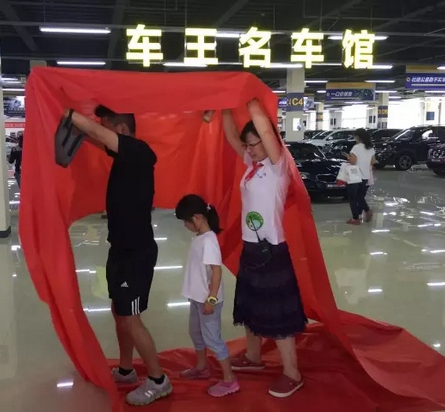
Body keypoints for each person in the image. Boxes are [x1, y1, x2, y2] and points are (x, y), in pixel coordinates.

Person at [64, 105, 172, 406]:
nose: (103, 132)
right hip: (121, 249)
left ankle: (158, 380)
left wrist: (67, 112)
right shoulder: (126, 156)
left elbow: (98, 133)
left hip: (136, 252)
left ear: (122, 130)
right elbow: (96, 138)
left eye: (107, 126)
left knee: (131, 318)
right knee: (119, 311)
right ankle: (126, 370)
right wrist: (79, 130)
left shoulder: (138, 151)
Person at [221, 102, 307, 398]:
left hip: (271, 250)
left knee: (278, 313)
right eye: (248, 145)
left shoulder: (277, 167)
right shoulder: (252, 166)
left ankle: (292, 373)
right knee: (250, 305)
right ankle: (253, 357)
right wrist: (225, 106)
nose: (249, 149)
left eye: (254, 144)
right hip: (251, 249)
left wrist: (249, 99)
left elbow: (266, 130)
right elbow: (231, 137)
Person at [175, 194, 239, 398]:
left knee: (213, 338)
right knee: (196, 333)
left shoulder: (209, 241)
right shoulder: (200, 238)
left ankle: (229, 379)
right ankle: (202, 367)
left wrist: (211, 299)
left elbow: (216, 272)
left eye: (186, 221)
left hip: (207, 301)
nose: (185, 225)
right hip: (197, 298)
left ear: (197, 217)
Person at [345, 128, 376, 225]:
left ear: (358, 137)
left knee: (353, 198)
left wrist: (348, 157)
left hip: (355, 176)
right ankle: (367, 211)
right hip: (365, 176)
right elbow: (373, 162)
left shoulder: (356, 148)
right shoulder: (370, 148)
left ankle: (356, 219)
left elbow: (353, 162)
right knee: (360, 197)